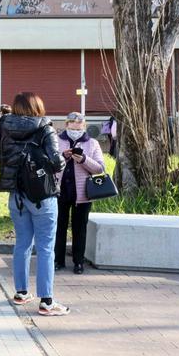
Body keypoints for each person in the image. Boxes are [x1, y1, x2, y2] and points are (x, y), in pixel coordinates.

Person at [0, 92, 69, 316]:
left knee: (22, 244)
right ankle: (47, 301)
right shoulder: (45, 127)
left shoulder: (5, 128)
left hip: (16, 195)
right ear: (38, 106)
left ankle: (21, 292)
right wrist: (63, 158)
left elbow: (2, 159)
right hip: (41, 195)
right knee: (46, 247)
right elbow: (57, 163)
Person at [55, 112, 105, 275]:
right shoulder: (57, 140)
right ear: (66, 125)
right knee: (58, 227)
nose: (76, 129)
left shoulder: (92, 143)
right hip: (60, 191)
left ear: (84, 126)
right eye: (72, 126)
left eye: (79, 127)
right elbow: (50, 161)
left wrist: (83, 159)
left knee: (80, 228)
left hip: (83, 193)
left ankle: (78, 262)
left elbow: (99, 168)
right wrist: (64, 156)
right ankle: (58, 260)